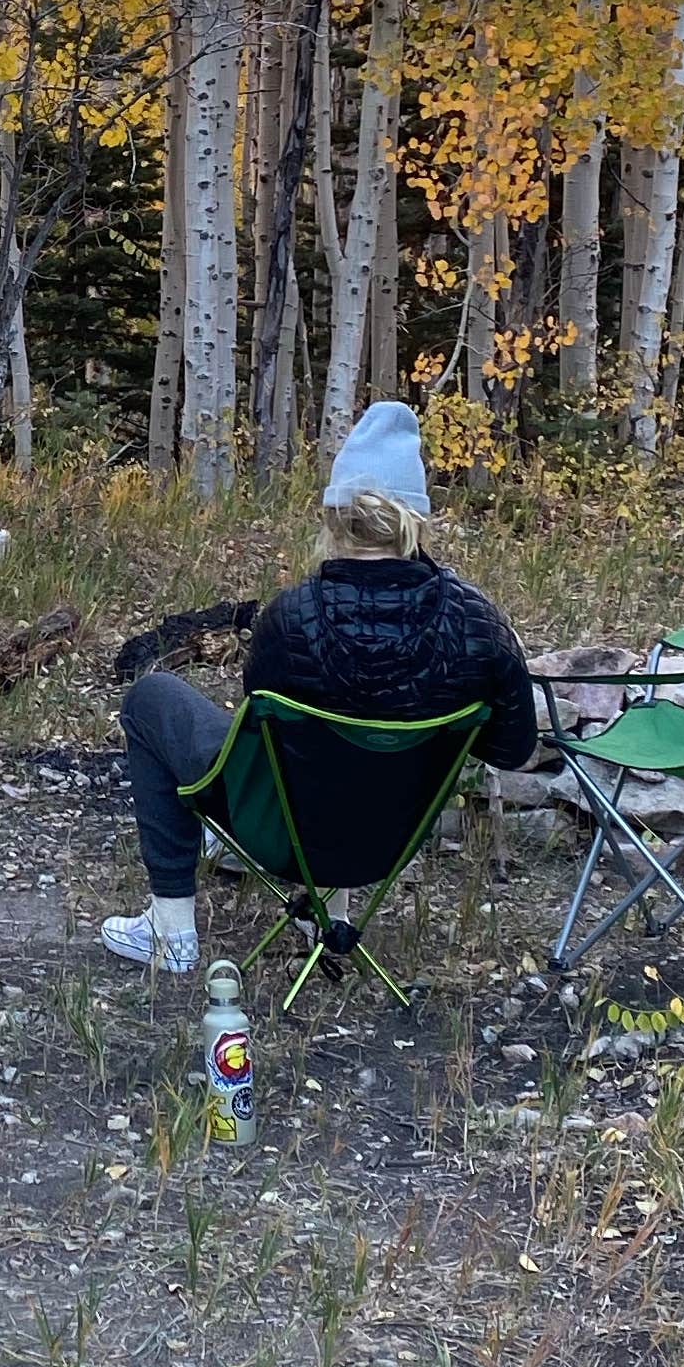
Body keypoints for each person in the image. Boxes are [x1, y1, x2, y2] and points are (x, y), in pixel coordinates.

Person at [100, 401, 537, 972]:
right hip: (387, 843)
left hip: (284, 836)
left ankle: (172, 929)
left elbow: (256, 739)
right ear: (417, 517)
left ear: (334, 514)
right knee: (347, 745)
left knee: (150, 698)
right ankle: (329, 915)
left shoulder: (292, 616)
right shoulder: (476, 621)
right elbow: (513, 748)